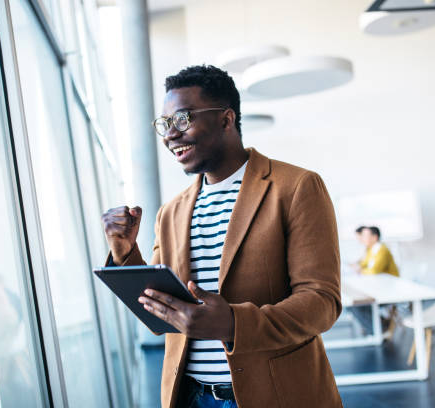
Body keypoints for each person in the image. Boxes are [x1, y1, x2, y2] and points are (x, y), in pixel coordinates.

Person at [101, 65, 342, 408]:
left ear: (226, 120)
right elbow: (158, 313)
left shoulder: (296, 187)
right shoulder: (170, 212)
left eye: (182, 119)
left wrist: (233, 324)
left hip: (275, 394)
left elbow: (322, 303)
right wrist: (125, 253)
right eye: (165, 124)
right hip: (190, 396)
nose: (170, 134)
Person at [350, 226, 399, 335]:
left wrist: (361, 270)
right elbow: (363, 264)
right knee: (353, 306)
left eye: (365, 236)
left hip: (389, 290)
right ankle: (380, 324)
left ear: (375, 237)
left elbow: (374, 270)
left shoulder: (382, 249)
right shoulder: (370, 249)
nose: (362, 239)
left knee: (356, 306)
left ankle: (379, 330)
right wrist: (359, 266)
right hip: (377, 287)